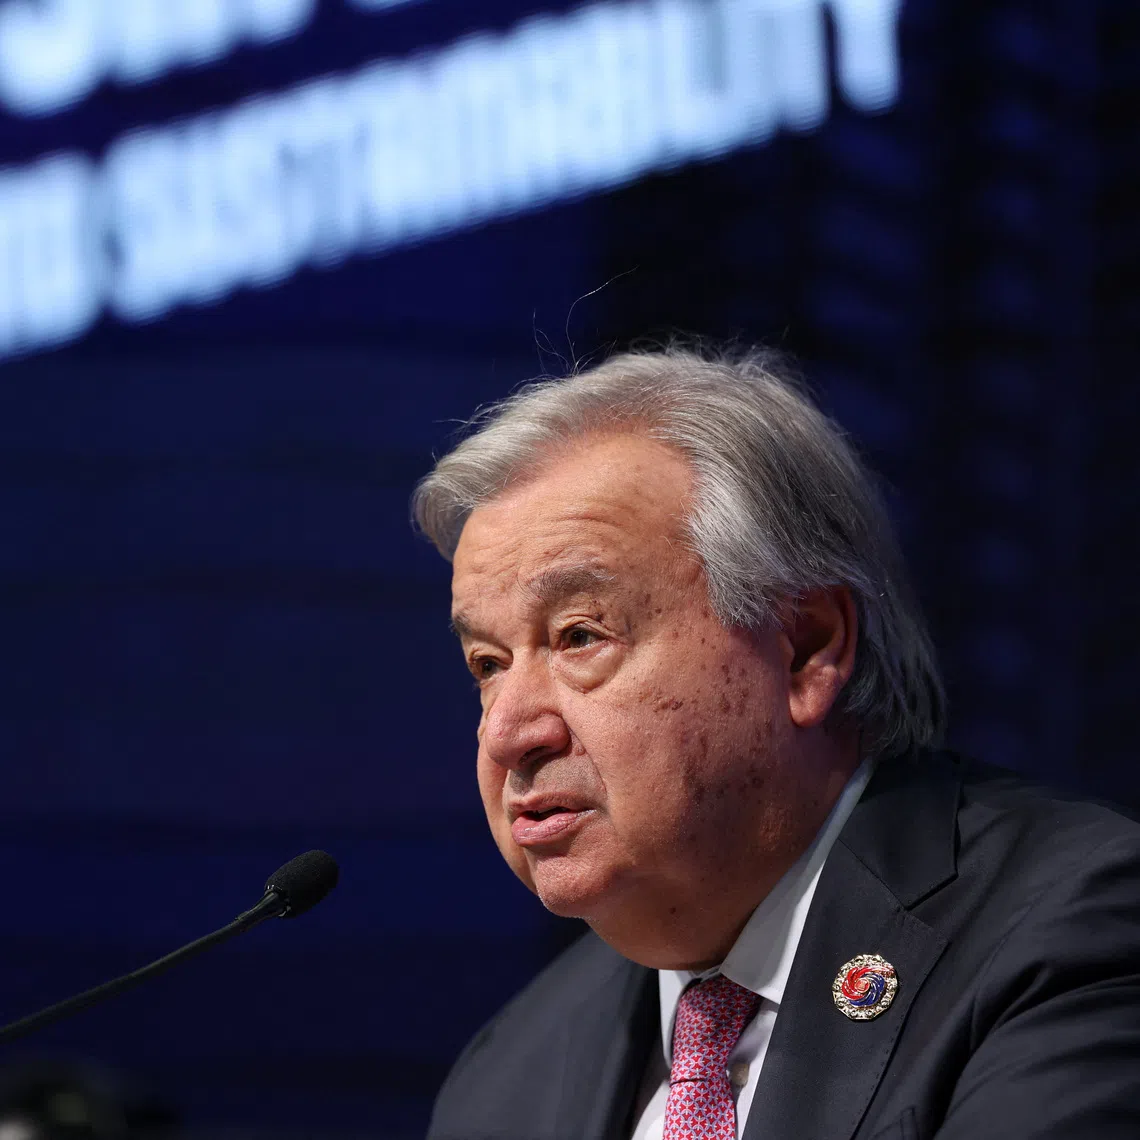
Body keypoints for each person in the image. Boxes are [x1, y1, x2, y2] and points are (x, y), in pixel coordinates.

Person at [411, 345, 1140, 1140]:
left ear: (805, 650)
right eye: (487, 664)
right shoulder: (506, 1075)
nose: (510, 731)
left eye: (580, 636)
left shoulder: (1068, 934)